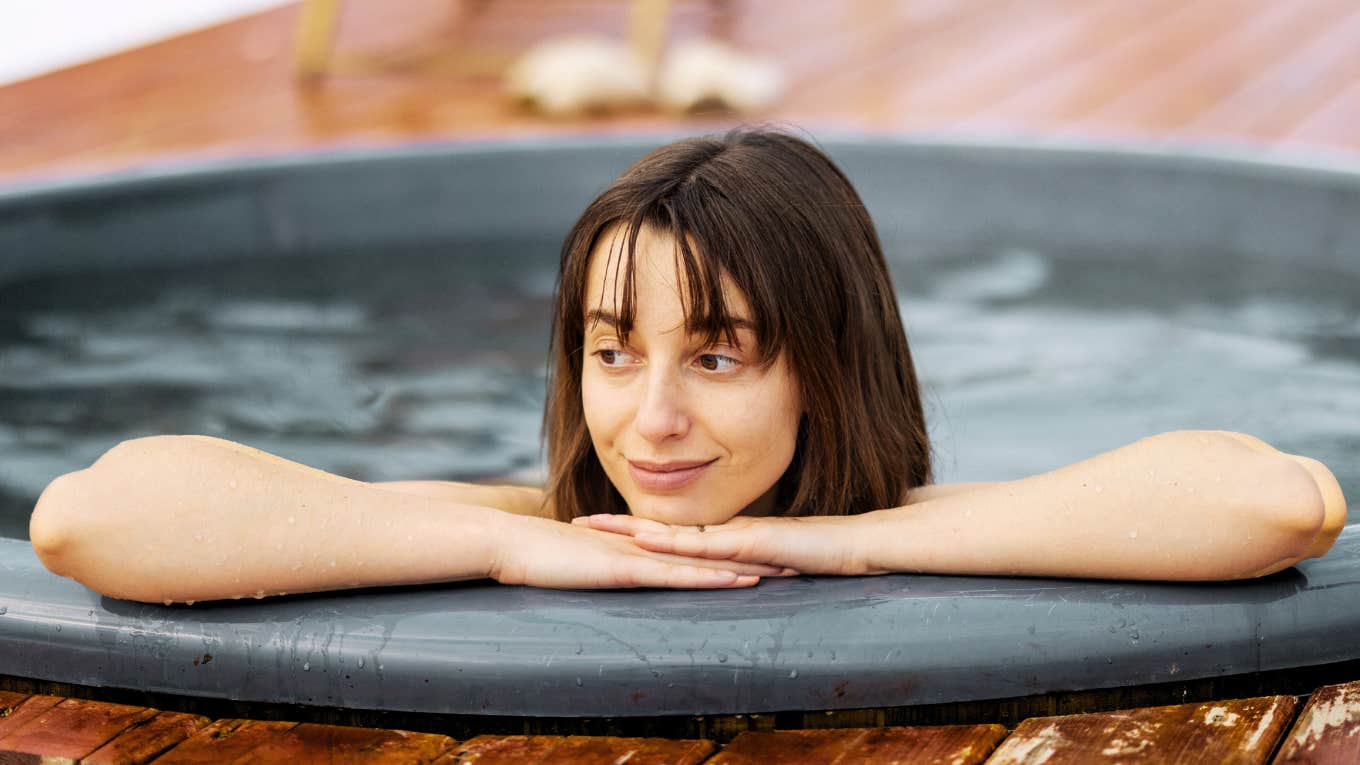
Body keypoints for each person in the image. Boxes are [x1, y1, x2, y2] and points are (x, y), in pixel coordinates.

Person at [28, 129, 1346, 605]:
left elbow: (1277, 505)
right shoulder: (517, 522)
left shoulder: (904, 528)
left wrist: (843, 545)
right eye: (612, 351)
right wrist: (514, 551)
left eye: (718, 353)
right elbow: (87, 516)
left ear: (823, 371)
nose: (647, 417)